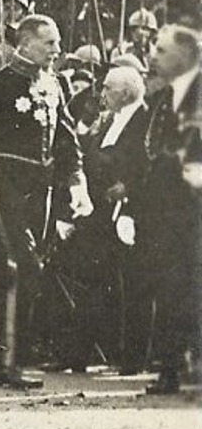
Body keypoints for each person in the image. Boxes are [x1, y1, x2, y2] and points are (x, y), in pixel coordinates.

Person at [0, 13, 89, 389]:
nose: (57, 50)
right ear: (26, 43)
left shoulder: (56, 82)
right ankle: (7, 363)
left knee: (32, 268)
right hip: (5, 180)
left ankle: (5, 359)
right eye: (50, 43)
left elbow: (66, 137)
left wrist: (77, 182)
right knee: (19, 264)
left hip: (40, 188)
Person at [42, 65, 148, 373]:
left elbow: (149, 163)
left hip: (129, 215)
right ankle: (76, 355)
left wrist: (130, 187)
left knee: (131, 287)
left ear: (126, 92)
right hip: (98, 215)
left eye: (107, 89)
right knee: (92, 285)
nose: (101, 95)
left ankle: (133, 359)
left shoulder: (143, 122)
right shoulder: (106, 122)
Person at [133, 25, 201, 395]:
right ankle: (172, 368)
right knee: (173, 287)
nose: (153, 56)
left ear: (187, 54)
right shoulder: (164, 98)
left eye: (161, 50)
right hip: (170, 213)